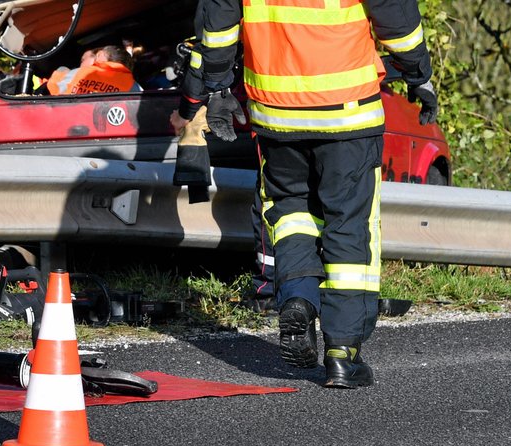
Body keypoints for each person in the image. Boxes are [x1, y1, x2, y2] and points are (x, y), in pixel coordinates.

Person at [171, 0, 438, 388]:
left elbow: (218, 21)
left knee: (291, 211)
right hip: (348, 112)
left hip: (274, 111)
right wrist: (419, 74)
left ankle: (298, 296)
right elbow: (395, 16)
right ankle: (343, 354)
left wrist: (214, 85)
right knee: (349, 225)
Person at [64, 45, 143, 94]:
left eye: (82, 60)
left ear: (100, 55)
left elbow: (55, 84)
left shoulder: (75, 75)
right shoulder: (136, 88)